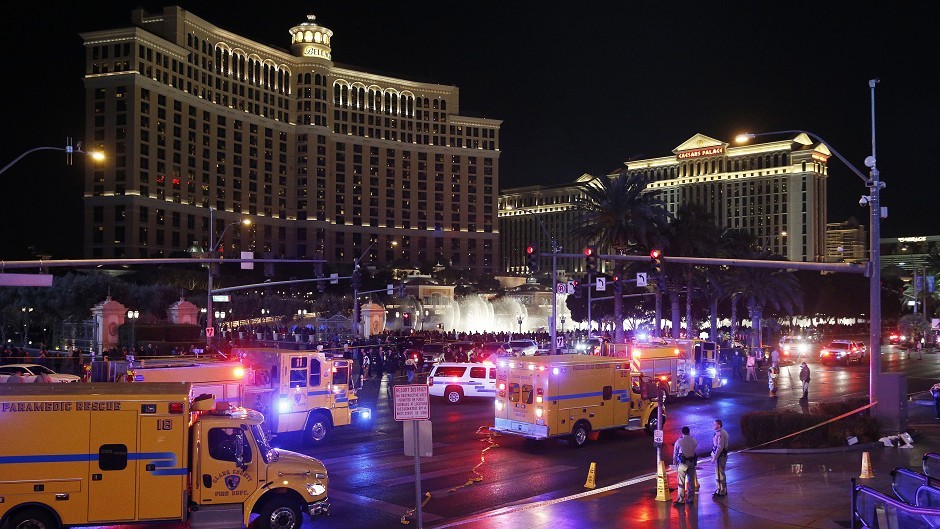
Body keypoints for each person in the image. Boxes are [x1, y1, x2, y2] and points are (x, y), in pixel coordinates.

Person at [673, 425, 698, 507]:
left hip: (682, 464)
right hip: (691, 463)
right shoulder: (693, 441)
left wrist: (675, 462)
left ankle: (681, 499)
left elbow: (675, 453)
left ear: (682, 432)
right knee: (691, 482)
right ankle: (690, 499)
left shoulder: (679, 441)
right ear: (689, 432)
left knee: (681, 482)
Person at [711, 419, 729, 497]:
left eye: (714, 424)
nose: (713, 426)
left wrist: (714, 457)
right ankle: (720, 489)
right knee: (719, 473)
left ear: (718, 425)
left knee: (720, 473)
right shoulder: (719, 433)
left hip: (720, 456)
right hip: (720, 456)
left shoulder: (720, 434)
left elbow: (719, 447)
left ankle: (722, 490)